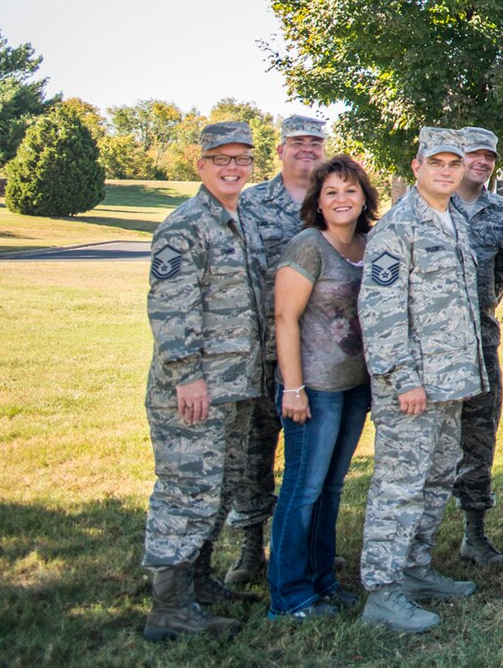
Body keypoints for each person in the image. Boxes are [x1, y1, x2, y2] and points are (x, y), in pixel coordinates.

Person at [140, 122, 268, 642]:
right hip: (195, 391)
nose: (233, 167)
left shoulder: (242, 220)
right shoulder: (185, 225)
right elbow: (170, 309)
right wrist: (186, 377)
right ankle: (168, 607)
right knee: (185, 491)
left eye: (241, 159)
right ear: (201, 165)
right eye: (221, 159)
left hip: (235, 387)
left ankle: (198, 582)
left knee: (218, 489)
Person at [356, 128, 486, 634]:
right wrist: (403, 378)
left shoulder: (453, 220)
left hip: (451, 384)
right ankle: (382, 591)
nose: (447, 171)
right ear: (417, 167)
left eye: (455, 163)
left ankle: (414, 571)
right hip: (412, 389)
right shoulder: (398, 228)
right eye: (437, 162)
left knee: (435, 481)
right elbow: (381, 311)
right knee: (400, 487)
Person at [267, 154, 378, 619]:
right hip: (314, 389)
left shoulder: (368, 246)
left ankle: (322, 580)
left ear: (364, 197)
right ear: (318, 200)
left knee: (331, 489)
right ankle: (289, 594)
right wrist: (293, 388)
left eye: (350, 190)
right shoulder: (309, 246)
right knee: (303, 490)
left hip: (354, 387)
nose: (341, 199)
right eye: (331, 191)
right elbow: (284, 318)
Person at [223, 114, 325, 590]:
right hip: (258, 349)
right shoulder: (250, 203)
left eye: (315, 142)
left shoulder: (333, 197)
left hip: (317, 351)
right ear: (280, 149)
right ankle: (249, 546)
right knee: (252, 450)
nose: (307, 149)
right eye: (298, 142)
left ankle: (308, 546)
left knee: (312, 458)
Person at [451, 126, 503, 567]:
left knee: (480, 435)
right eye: (474, 153)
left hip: (482, 342)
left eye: (489, 155)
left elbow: (501, 272)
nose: (483, 161)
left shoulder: (501, 212)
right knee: (430, 443)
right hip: (435, 347)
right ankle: (415, 537)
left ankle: (475, 533)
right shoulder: (430, 205)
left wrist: (483, 307)